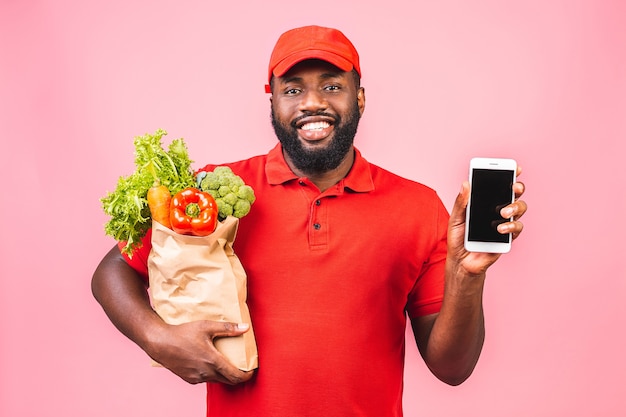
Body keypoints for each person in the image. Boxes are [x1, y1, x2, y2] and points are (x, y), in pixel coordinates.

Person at [92, 25, 527, 417]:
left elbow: (452, 368)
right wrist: (158, 339)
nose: (313, 103)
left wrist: (466, 275)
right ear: (273, 101)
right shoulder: (212, 192)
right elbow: (112, 270)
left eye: (332, 86)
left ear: (359, 98)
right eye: (294, 90)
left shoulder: (419, 207)